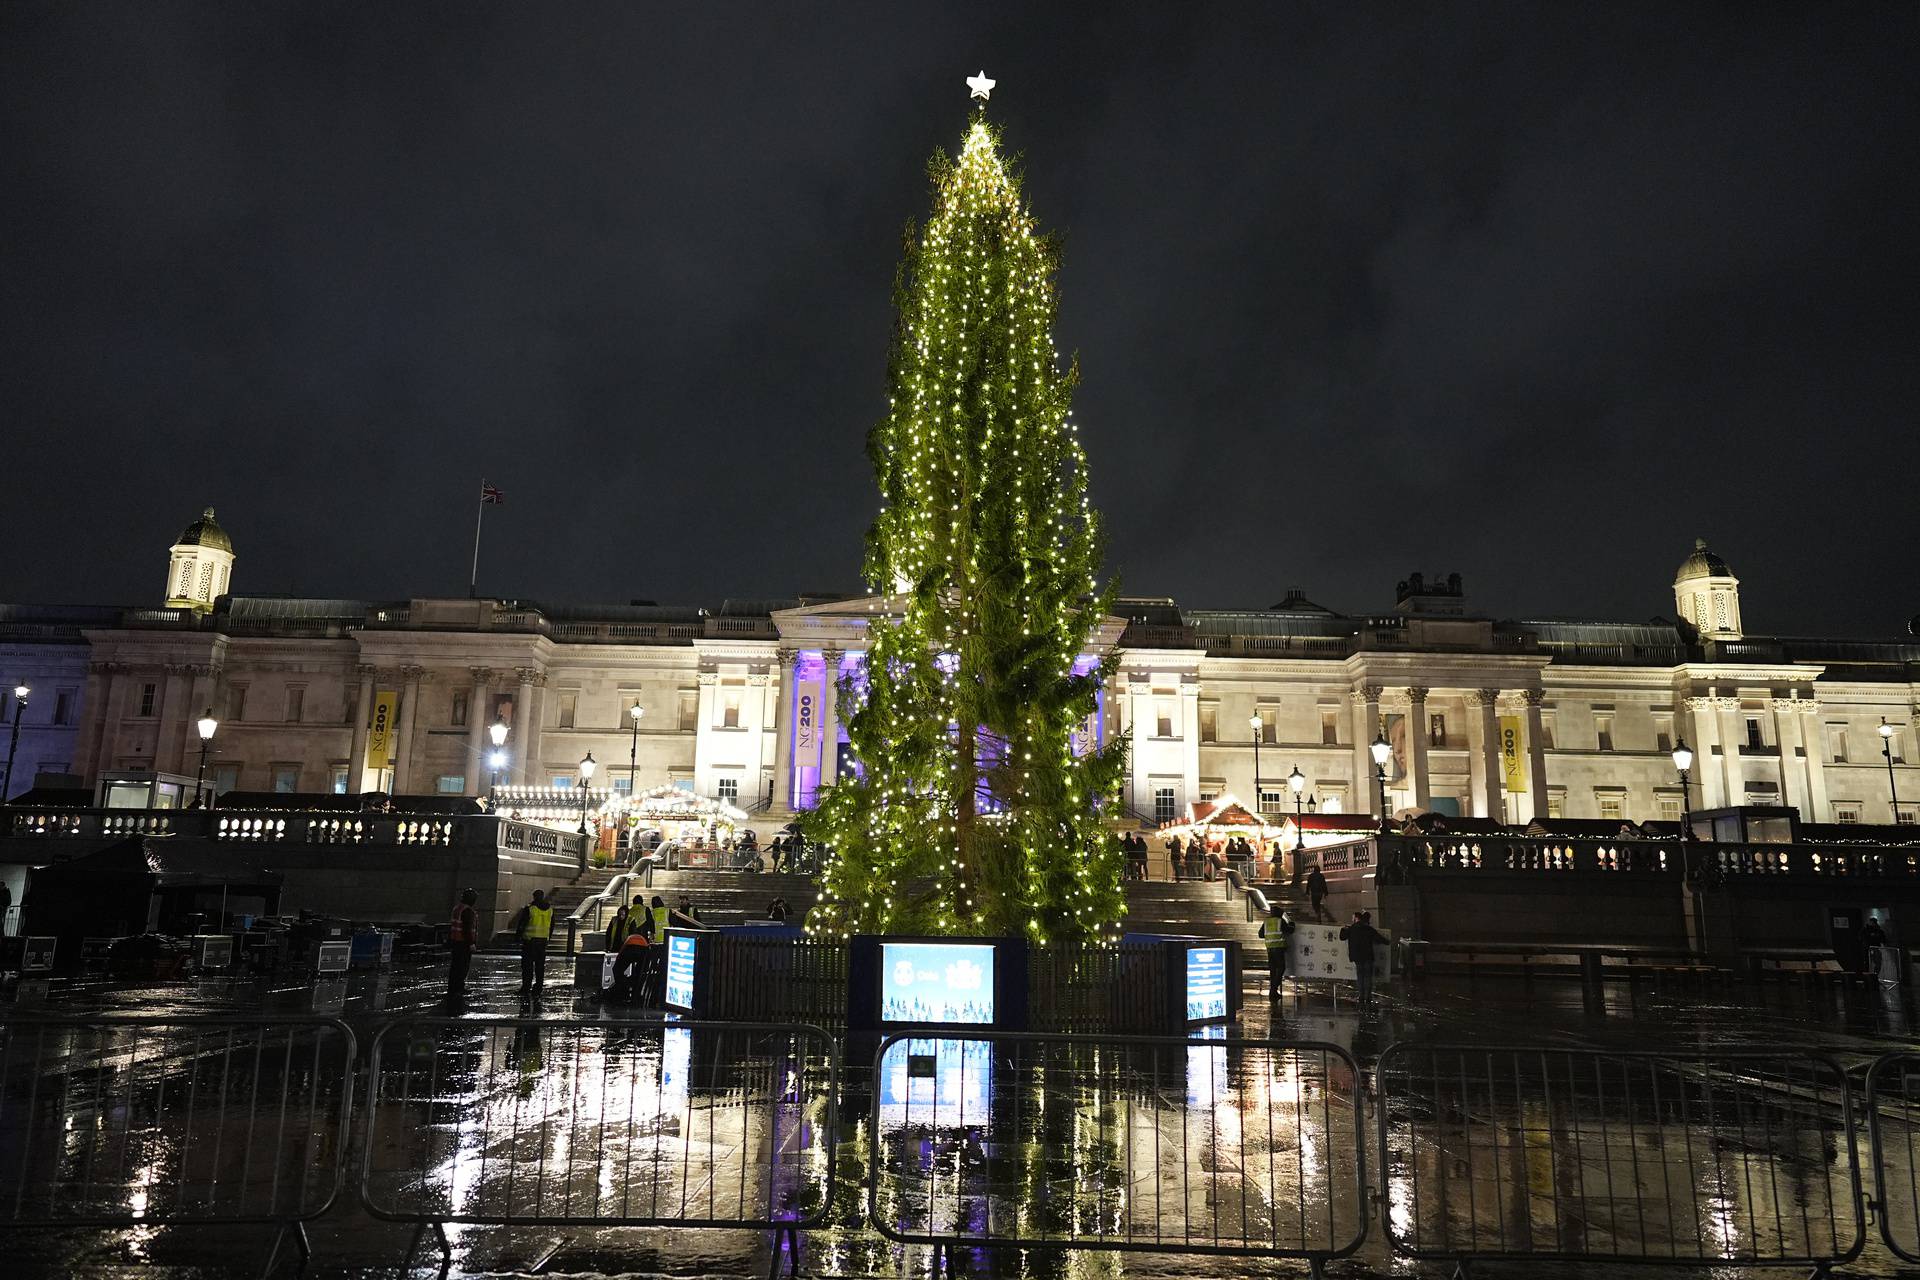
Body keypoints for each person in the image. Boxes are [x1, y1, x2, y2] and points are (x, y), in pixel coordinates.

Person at [1339, 910, 1387, 1009]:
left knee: (1360, 976)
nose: (1352, 919)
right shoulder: (1368, 928)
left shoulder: (1352, 929)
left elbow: (1342, 937)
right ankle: (1368, 997)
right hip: (1368, 956)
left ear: (1356, 918)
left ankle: (1361, 996)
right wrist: (1387, 941)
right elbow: (1380, 939)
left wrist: (1343, 929)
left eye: (1353, 918)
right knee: (1368, 977)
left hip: (1357, 957)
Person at [511, 889, 553, 994]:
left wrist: (517, 937)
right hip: (543, 941)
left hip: (530, 941)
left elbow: (522, 924)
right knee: (540, 966)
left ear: (534, 896)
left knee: (527, 966)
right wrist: (548, 937)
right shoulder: (550, 910)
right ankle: (538, 987)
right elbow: (552, 926)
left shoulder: (530, 909)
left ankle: (526, 987)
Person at [446, 887, 479, 999]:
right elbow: (467, 929)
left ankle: (453, 987)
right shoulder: (468, 911)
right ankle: (459, 988)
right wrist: (471, 943)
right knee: (462, 966)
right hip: (463, 943)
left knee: (455, 966)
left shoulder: (457, 908)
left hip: (455, 940)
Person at [1260, 909, 1295, 1003]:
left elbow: (1260, 934)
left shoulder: (1266, 922)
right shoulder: (1280, 921)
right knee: (1281, 968)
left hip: (1269, 949)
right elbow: (1289, 930)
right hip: (1278, 948)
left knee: (1273, 971)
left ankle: (1273, 992)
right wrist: (1292, 924)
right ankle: (1273, 989)